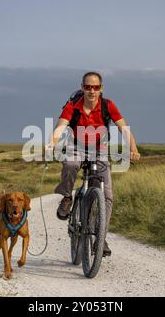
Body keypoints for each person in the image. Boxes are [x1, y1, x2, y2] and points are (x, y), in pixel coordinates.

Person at [47, 71, 140, 257]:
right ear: (82, 88)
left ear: (101, 89)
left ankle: (100, 238)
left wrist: (133, 149)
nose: (92, 91)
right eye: (88, 87)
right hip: (76, 147)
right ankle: (66, 197)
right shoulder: (73, 106)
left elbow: (124, 128)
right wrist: (52, 142)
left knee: (106, 195)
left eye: (95, 87)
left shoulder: (107, 105)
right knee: (71, 165)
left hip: (100, 150)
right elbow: (61, 126)